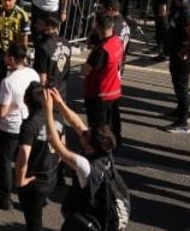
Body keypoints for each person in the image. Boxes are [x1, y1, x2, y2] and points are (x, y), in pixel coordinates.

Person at [44, 88, 129, 231]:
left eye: (86, 135)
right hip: (98, 212)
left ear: (90, 147)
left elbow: (55, 143)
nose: (83, 133)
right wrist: (60, 103)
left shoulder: (86, 166)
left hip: (87, 219)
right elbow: (77, 123)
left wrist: (47, 110)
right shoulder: (105, 150)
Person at [0, 43, 38, 210]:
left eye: (6, 55)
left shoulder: (8, 81)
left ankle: (5, 197)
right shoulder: (32, 73)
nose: (4, 57)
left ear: (11, 59)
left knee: (4, 161)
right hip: (28, 123)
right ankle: (28, 194)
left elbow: (2, 111)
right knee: (26, 160)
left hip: (10, 127)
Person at [14, 81, 58, 231]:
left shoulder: (29, 125)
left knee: (34, 222)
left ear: (26, 101)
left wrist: (20, 180)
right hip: (50, 175)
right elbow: (62, 144)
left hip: (34, 181)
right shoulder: (56, 117)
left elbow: (23, 155)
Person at [163, 0, 190, 134]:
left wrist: (183, 52)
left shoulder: (186, 12)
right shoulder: (180, 8)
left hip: (184, 56)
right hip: (176, 52)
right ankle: (180, 111)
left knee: (182, 87)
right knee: (178, 86)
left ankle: (183, 122)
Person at [82, 13, 123, 147]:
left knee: (98, 126)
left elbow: (85, 71)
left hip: (99, 93)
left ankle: (98, 149)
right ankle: (115, 142)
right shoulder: (117, 41)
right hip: (114, 90)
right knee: (112, 122)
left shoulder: (101, 50)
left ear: (97, 26)